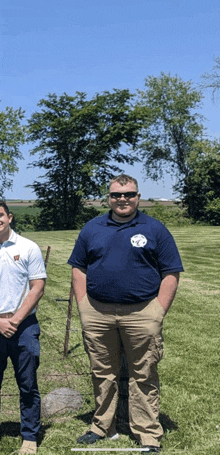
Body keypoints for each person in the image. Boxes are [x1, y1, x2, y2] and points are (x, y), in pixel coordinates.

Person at [68, 175, 184, 454]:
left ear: (138, 197)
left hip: (142, 312)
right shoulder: (92, 228)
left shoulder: (155, 229)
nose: (123, 199)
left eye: (129, 194)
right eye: (117, 195)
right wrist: (83, 305)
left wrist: (158, 311)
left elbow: (171, 272)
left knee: (143, 374)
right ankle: (102, 426)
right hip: (98, 312)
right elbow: (78, 268)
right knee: (102, 372)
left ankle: (147, 433)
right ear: (108, 198)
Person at [0, 201, 47, 455]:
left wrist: (15, 320)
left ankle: (29, 436)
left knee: (27, 384)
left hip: (24, 325)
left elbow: (37, 287)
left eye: (0, 215)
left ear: (9, 217)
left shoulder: (28, 247)